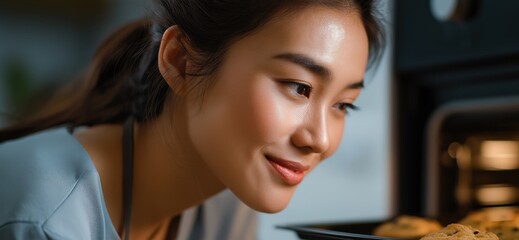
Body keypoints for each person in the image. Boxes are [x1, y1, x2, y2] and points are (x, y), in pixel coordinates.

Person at [0, 0, 384, 239]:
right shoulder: (44, 218)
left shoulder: (224, 205)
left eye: (343, 104)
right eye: (299, 87)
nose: (320, 139)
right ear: (180, 62)